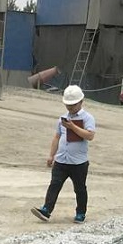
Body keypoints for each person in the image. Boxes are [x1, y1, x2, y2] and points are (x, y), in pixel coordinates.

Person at [32, 84, 96, 224]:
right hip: (61, 160)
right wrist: (51, 155)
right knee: (54, 185)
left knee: (80, 189)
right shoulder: (62, 118)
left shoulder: (87, 118)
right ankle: (46, 210)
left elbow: (90, 136)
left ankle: (80, 213)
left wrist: (73, 127)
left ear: (81, 102)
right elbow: (57, 137)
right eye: (68, 105)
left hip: (78, 162)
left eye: (73, 105)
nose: (70, 108)